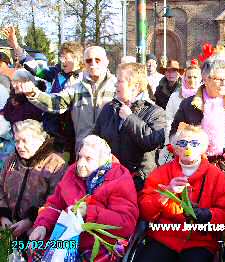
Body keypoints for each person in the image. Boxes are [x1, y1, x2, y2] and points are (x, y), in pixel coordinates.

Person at [29, 135, 138, 261]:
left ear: (103, 161)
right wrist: (42, 225)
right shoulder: (72, 172)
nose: (80, 163)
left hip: (99, 244)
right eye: (80, 156)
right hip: (68, 235)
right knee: (36, 248)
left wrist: (89, 212)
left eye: (88, 159)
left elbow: (126, 223)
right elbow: (55, 204)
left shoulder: (119, 180)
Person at [137, 123, 225, 262]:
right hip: (164, 237)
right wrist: (167, 193)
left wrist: (208, 215)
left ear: (203, 148)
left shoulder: (218, 177)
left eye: (194, 143)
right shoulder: (160, 173)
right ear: (176, 148)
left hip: (199, 241)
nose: (188, 147)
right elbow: (145, 211)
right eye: (182, 143)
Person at [170, 48, 225, 193]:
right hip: (196, 169)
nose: (224, 83)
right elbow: (175, 133)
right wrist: (189, 149)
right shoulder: (189, 105)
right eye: (219, 79)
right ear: (205, 79)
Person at [13, 46, 117, 153]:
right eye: (89, 60)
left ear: (106, 61)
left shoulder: (116, 86)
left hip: (110, 152)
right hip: (80, 150)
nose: (93, 63)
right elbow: (55, 102)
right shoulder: (73, 85)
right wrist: (33, 93)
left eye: (97, 60)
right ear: (85, 63)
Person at [93, 62, 166, 191]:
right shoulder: (109, 108)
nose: (116, 84)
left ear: (135, 86)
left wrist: (130, 118)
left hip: (139, 183)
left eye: (120, 81)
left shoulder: (155, 111)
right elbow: (96, 138)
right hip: (110, 178)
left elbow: (153, 141)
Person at [0, 119, 66, 255]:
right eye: (17, 141)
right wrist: (3, 215)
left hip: (37, 231)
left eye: (25, 141)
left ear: (39, 140)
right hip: (8, 226)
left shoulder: (55, 164)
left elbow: (56, 200)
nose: (19, 146)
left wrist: (30, 220)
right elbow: (0, 187)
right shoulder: (11, 160)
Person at [165, 59, 202, 143]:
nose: (192, 80)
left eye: (195, 77)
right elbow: (168, 119)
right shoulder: (175, 96)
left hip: (198, 141)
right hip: (178, 140)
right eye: (189, 77)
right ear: (184, 78)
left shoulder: (204, 97)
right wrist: (170, 140)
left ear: (200, 79)